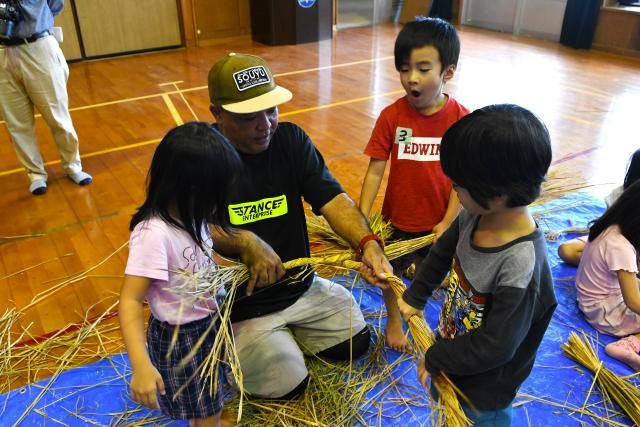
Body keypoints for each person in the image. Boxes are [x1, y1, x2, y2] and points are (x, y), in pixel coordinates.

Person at [207, 52, 392, 399]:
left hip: (300, 286)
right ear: (218, 114)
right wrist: (245, 241)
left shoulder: (290, 140)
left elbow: (333, 199)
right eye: (249, 117)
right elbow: (198, 227)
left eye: (271, 110)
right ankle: (249, 340)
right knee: (289, 387)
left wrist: (366, 241)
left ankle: (289, 332)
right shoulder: (203, 156)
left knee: (356, 344)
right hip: (246, 307)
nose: (265, 124)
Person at [397, 104, 557, 426]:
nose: (452, 189)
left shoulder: (520, 265)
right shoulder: (476, 213)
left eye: (459, 185)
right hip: (455, 359)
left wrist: (437, 356)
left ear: (497, 192)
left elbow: (496, 346)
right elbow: (442, 252)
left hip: (483, 394)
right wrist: (416, 296)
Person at [119, 123, 241, 426]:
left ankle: (208, 419)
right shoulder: (153, 234)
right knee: (204, 402)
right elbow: (130, 300)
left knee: (209, 398)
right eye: (218, 192)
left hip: (209, 322)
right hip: (183, 338)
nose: (221, 201)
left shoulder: (193, 216)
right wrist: (140, 366)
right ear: (192, 190)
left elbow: (199, 261)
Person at [359, 17, 468, 352]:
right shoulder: (393, 116)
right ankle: (394, 318)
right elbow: (376, 169)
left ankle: (434, 317)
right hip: (397, 221)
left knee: (436, 275)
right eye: (405, 69)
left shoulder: (460, 119)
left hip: (440, 224)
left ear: (447, 72)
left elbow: (461, 181)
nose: (411, 78)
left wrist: (447, 222)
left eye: (423, 69)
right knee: (390, 275)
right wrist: (361, 217)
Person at [0, 0, 92, 195]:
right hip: (2, 53)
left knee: (57, 116)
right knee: (17, 123)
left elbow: (56, 4)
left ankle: (73, 166)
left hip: (38, 45)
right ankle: (35, 175)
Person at [574, 181, 640, 371]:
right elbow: (633, 302)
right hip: (605, 313)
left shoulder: (609, 227)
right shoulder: (621, 247)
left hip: (591, 301)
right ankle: (627, 345)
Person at [558, 148, 640, 266]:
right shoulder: (617, 195)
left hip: (631, 252)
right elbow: (606, 232)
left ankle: (618, 271)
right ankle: (613, 270)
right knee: (566, 250)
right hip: (617, 245)